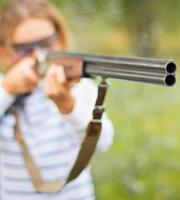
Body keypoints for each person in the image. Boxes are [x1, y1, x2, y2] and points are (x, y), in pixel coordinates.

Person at [0, 0, 114, 199]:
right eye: (24, 48)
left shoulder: (78, 86)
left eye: (46, 43)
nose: (38, 55)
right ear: (4, 51)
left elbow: (103, 143)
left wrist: (67, 105)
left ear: (60, 38)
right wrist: (8, 89)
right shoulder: (3, 87)